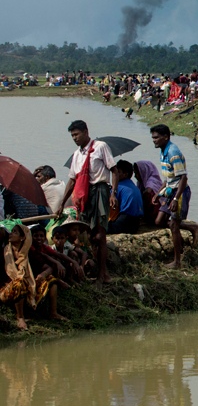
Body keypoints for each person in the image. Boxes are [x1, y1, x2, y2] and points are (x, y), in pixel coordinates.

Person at [56, 120, 116, 284]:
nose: (74, 138)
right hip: (85, 193)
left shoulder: (100, 146)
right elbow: (72, 180)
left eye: (77, 134)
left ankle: (103, 273)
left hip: (100, 190)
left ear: (86, 132)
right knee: (89, 235)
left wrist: (113, 194)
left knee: (100, 233)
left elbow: (114, 170)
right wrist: (61, 204)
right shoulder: (76, 155)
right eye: (72, 136)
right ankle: (96, 270)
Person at [150, 124, 198, 268]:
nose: (154, 140)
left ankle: (177, 261)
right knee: (159, 221)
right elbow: (168, 178)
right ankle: (192, 228)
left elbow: (183, 178)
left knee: (174, 225)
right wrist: (158, 193)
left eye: (156, 137)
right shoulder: (163, 151)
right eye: (153, 137)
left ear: (166, 137)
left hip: (180, 192)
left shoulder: (173, 152)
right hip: (170, 190)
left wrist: (176, 199)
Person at [107, 160, 144, 235]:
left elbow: (110, 204)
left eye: (118, 172)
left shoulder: (118, 187)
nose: (115, 174)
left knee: (101, 228)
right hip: (137, 223)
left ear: (125, 174)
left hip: (125, 220)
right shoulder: (133, 185)